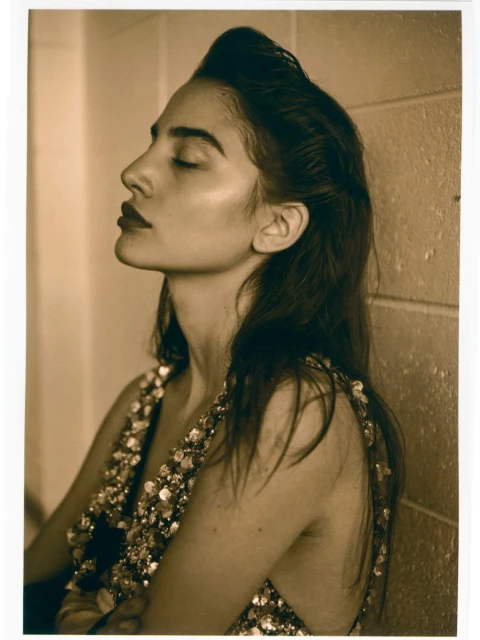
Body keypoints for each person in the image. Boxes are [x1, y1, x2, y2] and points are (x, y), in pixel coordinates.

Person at [24, 26, 404, 635]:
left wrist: (75, 619)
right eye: (153, 144)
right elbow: (26, 582)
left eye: (187, 160)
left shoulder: (297, 410)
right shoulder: (147, 400)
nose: (133, 172)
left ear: (277, 226)